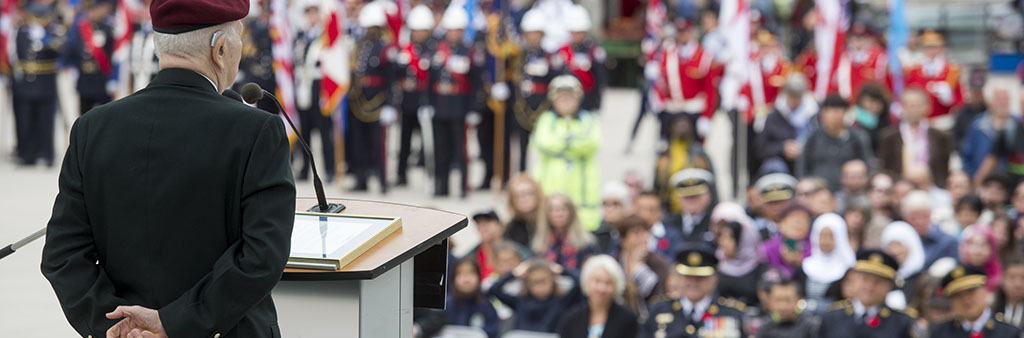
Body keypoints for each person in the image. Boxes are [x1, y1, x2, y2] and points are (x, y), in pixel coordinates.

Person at [41, 0, 296, 335]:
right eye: (238, 38)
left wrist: (118, 325)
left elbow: (63, 254)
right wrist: (175, 323)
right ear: (220, 48)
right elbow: (262, 256)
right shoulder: (256, 131)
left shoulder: (93, 127)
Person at [532, 75, 602, 230]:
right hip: (550, 190)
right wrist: (574, 142)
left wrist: (561, 142)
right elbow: (544, 143)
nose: (566, 101)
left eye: (570, 97)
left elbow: (592, 143)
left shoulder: (589, 119)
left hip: (582, 195)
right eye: (561, 97)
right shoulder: (546, 120)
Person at [428, 7, 482, 198]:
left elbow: (476, 83)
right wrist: (427, 103)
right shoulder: (437, 50)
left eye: (458, 30)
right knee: (440, 150)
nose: (454, 34)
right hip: (440, 105)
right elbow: (430, 79)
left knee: (461, 151)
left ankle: (462, 187)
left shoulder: (470, 52)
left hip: (460, 106)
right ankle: (441, 186)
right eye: (451, 30)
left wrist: (474, 108)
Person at [642, 244, 747, 338]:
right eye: (688, 276)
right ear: (678, 277)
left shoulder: (732, 314)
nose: (693, 282)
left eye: (700, 277)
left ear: (714, 279)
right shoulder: (658, 309)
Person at [347, 2, 396, 192]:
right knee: (359, 143)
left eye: (373, 27)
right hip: (358, 100)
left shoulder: (385, 49)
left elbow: (391, 79)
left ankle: (383, 181)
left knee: (378, 145)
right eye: (368, 27)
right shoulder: (359, 46)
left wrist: (391, 104)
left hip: (378, 101)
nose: (369, 31)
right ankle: (361, 179)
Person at [818, 250, 916, 338]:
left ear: (889, 286)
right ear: (854, 279)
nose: (870, 287)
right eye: (865, 279)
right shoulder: (831, 317)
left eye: (878, 281)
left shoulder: (902, 323)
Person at [12, 2, 63, 167]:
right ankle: (28, 154)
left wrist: (46, 40)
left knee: (45, 121)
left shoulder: (53, 33)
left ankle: (46, 154)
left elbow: (60, 51)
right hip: (26, 83)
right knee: (26, 120)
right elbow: (18, 54)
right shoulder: (22, 31)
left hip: (45, 81)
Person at [513, 9, 563, 173]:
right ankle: (522, 174)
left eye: (535, 33)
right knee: (521, 146)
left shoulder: (549, 56)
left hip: (542, 105)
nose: (532, 37)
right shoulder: (521, 55)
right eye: (529, 33)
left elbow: (556, 80)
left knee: (544, 143)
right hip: (523, 107)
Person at [649, 18, 715, 139]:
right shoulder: (668, 54)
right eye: (680, 32)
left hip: (693, 110)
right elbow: (660, 82)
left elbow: (709, 90)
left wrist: (706, 117)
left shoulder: (703, 56)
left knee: (695, 153)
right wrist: (658, 100)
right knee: (665, 151)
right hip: (672, 109)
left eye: (686, 32)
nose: (683, 35)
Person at [293, 0, 335, 183]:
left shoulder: (325, 38)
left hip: (320, 88)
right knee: (305, 132)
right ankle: (305, 169)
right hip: (303, 87)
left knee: (325, 132)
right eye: (309, 13)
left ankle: (330, 170)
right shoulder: (301, 37)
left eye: (315, 13)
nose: (312, 17)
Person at [796, 95, 874, 192]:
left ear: (846, 113)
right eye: (829, 111)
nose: (834, 116)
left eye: (838, 111)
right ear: (823, 114)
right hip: (817, 190)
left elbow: (868, 165)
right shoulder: (814, 137)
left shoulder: (857, 137)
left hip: (849, 191)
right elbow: (802, 166)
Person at [878, 88, 954, 187]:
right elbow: (886, 167)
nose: (914, 109)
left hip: (933, 186)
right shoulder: (889, 137)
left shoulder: (941, 136)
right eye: (910, 105)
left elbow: (945, 167)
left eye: (918, 105)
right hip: (901, 188)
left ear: (927, 107)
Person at [395, 5, 435, 187]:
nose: (418, 34)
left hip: (424, 100)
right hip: (408, 100)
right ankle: (400, 174)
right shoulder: (406, 50)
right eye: (415, 30)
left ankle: (431, 173)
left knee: (429, 141)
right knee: (404, 140)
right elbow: (396, 74)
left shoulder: (433, 49)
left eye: (422, 31)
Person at [488, 259, 583, 333]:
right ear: (527, 284)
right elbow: (494, 290)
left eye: (543, 281)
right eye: (534, 282)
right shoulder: (520, 302)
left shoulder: (561, 302)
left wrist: (562, 270)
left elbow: (581, 283)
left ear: (553, 280)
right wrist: (514, 273)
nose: (539, 287)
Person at [558, 255, 639, 338]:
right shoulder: (571, 319)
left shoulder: (627, 319)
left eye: (608, 283)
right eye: (597, 281)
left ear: (616, 286)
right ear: (587, 282)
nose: (601, 288)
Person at [929, 265, 1021, 338]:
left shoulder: (1009, 332)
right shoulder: (940, 332)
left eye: (971, 292)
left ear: (986, 291)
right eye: (958, 295)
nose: (966, 299)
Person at [755, 74, 819, 175]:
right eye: (791, 96)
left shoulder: (814, 116)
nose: (794, 101)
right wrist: (783, 148)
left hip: (809, 161)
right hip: (782, 163)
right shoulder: (774, 117)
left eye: (797, 96)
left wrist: (805, 149)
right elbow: (761, 149)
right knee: (773, 167)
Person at [65, 0, 115, 115]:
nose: (93, 13)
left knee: (104, 117)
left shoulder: (108, 28)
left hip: (102, 80)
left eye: (96, 9)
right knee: (84, 116)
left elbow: (112, 54)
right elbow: (72, 49)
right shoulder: (79, 28)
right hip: (85, 80)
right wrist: (71, 67)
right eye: (90, 10)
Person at [616, 215, 670, 322]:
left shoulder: (658, 262)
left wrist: (639, 269)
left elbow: (658, 295)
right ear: (623, 239)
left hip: (649, 319)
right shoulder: (613, 262)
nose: (643, 238)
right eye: (636, 233)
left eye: (646, 233)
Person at [714, 202, 767, 308]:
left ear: (743, 240)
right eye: (721, 237)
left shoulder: (759, 267)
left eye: (730, 238)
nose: (723, 243)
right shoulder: (717, 263)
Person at [655, 116, 713, 213]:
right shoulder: (664, 156)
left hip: (699, 209)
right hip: (670, 209)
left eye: (686, 124)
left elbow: (711, 185)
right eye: (678, 124)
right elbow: (657, 186)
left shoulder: (700, 155)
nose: (682, 127)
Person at [903, 30, 964, 119]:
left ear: (941, 48)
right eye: (928, 47)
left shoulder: (951, 71)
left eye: (934, 47)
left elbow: (960, 101)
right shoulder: (914, 70)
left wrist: (949, 99)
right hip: (919, 119)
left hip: (942, 119)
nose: (931, 51)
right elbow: (908, 93)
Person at [531, 193, 599, 271]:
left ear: (571, 213)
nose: (558, 214)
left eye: (562, 209)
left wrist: (562, 271)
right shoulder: (538, 244)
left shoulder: (587, 243)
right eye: (553, 210)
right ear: (547, 214)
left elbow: (590, 276)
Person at [961, 86, 1016, 178]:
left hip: (1009, 181)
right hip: (981, 181)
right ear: (990, 102)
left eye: (1005, 99)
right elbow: (967, 155)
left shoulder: (1017, 125)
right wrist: (972, 177)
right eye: (999, 99)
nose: (1003, 102)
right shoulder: (978, 126)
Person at [559, 5, 606, 114]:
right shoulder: (563, 51)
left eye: (579, 32)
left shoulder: (594, 51)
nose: (576, 35)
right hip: (567, 100)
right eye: (573, 32)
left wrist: (597, 101)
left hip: (588, 100)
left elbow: (600, 78)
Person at [802, 213, 857, 305]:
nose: (825, 241)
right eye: (822, 235)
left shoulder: (848, 270)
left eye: (831, 236)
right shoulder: (805, 266)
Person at [446, 259, 501, 338]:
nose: (466, 279)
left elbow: (493, 332)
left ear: (479, 277)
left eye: (471, 272)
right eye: (460, 273)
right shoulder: (446, 307)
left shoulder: (487, 307)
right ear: (453, 279)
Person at [903, 190, 959, 267]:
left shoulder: (948, 242)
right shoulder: (901, 243)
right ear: (906, 218)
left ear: (931, 215)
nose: (919, 222)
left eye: (924, 216)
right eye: (914, 218)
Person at [880, 221, 926, 310]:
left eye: (898, 245)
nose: (894, 251)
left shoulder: (923, 278)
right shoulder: (884, 277)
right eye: (889, 246)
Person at [664, 168, 718, 244]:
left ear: (708, 196)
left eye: (696, 196)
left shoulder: (715, 223)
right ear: (677, 199)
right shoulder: (667, 224)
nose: (691, 201)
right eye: (687, 197)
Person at [764, 203, 814, 279]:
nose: (797, 222)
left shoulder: (815, 246)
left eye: (803, 218)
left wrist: (800, 262)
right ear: (781, 223)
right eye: (793, 218)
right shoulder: (768, 248)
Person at [756, 279, 821, 338]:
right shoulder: (765, 326)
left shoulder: (810, 326)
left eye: (788, 300)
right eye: (778, 300)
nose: (783, 306)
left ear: (798, 300)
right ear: (770, 301)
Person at [635, 191, 683, 259]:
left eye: (651, 210)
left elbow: (671, 261)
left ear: (660, 213)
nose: (645, 215)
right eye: (641, 209)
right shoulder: (626, 233)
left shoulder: (671, 236)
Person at [755, 173, 799, 240]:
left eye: (781, 202)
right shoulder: (755, 228)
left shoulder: (802, 226)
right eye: (771, 203)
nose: (776, 207)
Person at [851, 83, 893, 153]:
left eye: (877, 102)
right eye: (869, 101)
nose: (873, 105)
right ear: (861, 101)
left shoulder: (890, 121)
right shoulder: (853, 120)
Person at [960, 225, 1004, 292]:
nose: (978, 251)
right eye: (973, 244)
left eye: (984, 245)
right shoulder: (958, 271)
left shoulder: (1000, 277)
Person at [505, 174, 544, 247]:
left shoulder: (549, 221)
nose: (523, 199)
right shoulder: (510, 228)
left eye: (528, 193)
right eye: (517, 195)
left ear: (537, 195)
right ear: (512, 201)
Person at [594, 181, 631, 254]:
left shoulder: (631, 233)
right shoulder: (595, 234)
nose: (609, 209)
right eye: (605, 204)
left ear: (625, 206)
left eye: (615, 204)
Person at [994, 257, 1024, 330]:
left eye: (1023, 278)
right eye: (1012, 277)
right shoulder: (990, 310)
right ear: (1002, 280)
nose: (1018, 284)